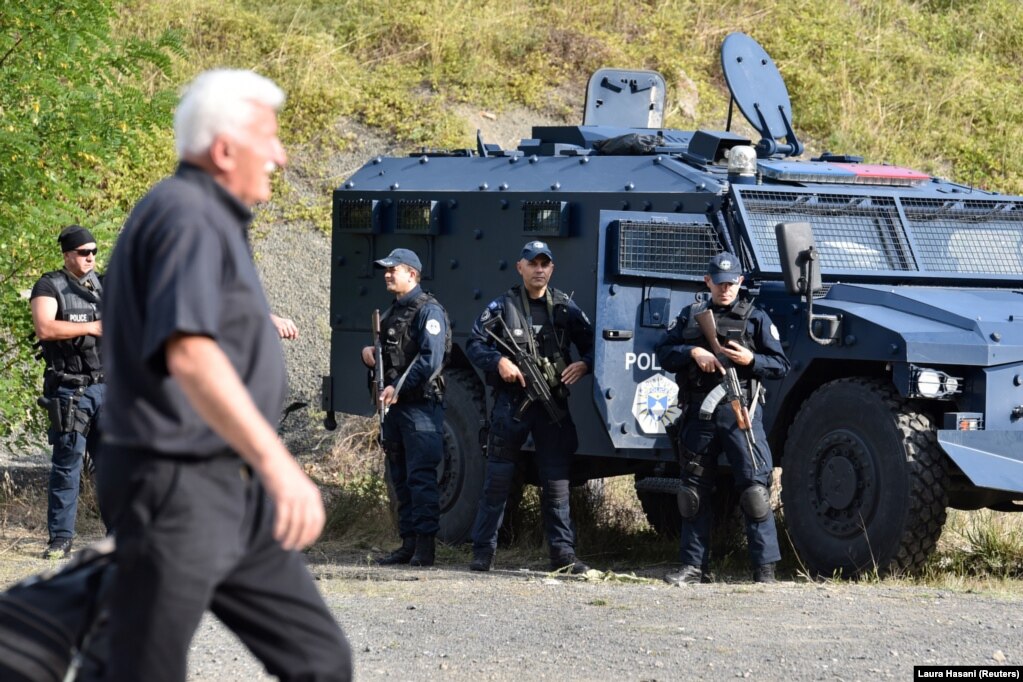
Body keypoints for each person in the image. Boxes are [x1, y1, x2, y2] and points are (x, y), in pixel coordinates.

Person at [96, 69, 351, 681]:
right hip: (176, 483)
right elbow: (190, 354)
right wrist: (276, 463)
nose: (281, 156)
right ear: (226, 147)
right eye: (270, 138)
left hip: (226, 487)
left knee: (319, 658)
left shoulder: (210, 218)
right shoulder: (186, 215)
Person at [654, 252, 790, 584]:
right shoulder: (690, 316)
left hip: (739, 413)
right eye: (719, 282)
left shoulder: (755, 318)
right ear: (707, 281)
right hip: (698, 414)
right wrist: (693, 352)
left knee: (755, 492)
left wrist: (751, 359)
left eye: (731, 282)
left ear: (740, 282)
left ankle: (765, 570)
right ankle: (693, 566)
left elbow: (780, 365)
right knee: (692, 494)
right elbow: (663, 352)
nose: (725, 288)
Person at [466, 240, 594, 574]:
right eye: (532, 263)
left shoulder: (565, 308)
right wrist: (499, 362)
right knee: (497, 480)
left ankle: (563, 556)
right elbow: (474, 344)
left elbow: (596, 346)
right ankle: (483, 552)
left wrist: (585, 365)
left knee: (557, 484)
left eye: (544, 264)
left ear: (551, 269)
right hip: (512, 405)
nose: (539, 269)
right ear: (520, 267)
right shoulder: (502, 307)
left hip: (551, 406)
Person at [360, 248, 450, 567]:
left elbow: (430, 359)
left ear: (411, 274)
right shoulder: (392, 312)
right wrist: (369, 354)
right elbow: (389, 356)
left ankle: (425, 550)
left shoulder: (429, 311)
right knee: (400, 478)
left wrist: (397, 388)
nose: (386, 274)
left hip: (420, 408)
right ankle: (408, 544)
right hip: (395, 410)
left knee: (420, 478)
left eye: (392, 269)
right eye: (384, 269)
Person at [30, 225, 106, 559]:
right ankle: (60, 539)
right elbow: (45, 327)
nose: (90, 257)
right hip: (69, 390)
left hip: (105, 388)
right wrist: (89, 326)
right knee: (67, 464)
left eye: (93, 251)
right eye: (83, 252)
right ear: (67, 254)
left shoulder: (102, 285)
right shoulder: (49, 285)